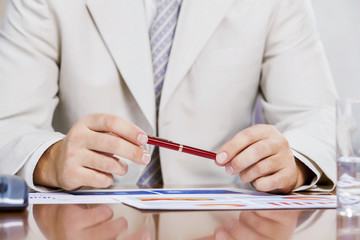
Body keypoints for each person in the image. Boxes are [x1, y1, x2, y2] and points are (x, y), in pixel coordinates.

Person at [0, 0, 337, 193]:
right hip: (88, 218)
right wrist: (49, 160)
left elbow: (320, 119)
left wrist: (294, 164)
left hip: (226, 224)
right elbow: (7, 123)